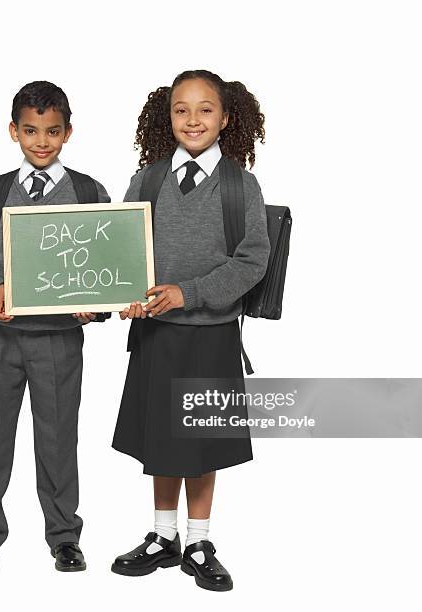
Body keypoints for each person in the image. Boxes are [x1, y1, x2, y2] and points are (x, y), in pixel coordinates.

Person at [110, 70, 270, 591]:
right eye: (182, 109)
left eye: (205, 109)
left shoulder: (240, 185)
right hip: (157, 333)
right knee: (162, 436)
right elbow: (123, 249)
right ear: (168, 116)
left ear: (225, 118)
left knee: (200, 440)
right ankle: (163, 536)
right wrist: (125, 295)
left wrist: (189, 292)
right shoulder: (147, 180)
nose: (193, 119)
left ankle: (199, 540)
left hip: (211, 332)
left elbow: (251, 261)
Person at [0, 80, 110, 574]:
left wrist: (96, 304)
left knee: (59, 439)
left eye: (53, 131)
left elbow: (109, 262)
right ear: (14, 131)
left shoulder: (88, 193)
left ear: (68, 133)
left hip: (60, 339)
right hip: (1, 336)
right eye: (31, 130)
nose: (42, 141)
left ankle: (64, 536)